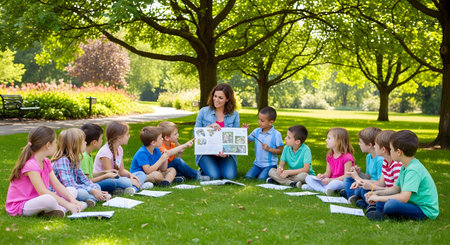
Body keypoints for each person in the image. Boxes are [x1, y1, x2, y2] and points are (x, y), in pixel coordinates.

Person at [6, 126, 84, 218]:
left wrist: (72, 200)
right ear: (48, 145)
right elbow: (42, 191)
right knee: (48, 199)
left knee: (71, 190)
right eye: (55, 142)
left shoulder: (46, 162)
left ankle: (57, 210)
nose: (56, 145)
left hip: (37, 199)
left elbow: (57, 185)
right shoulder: (31, 165)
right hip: (22, 205)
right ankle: (63, 209)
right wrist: (68, 204)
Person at [365, 130, 439, 221]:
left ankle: (384, 216)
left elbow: (404, 198)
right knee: (383, 201)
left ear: (399, 152)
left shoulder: (413, 170)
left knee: (391, 204)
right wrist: (377, 194)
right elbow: (396, 188)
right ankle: (380, 212)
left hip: (424, 210)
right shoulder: (405, 166)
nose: (390, 152)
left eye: (391, 149)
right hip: (412, 204)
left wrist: (379, 198)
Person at [51, 128, 110, 207]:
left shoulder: (76, 159)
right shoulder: (62, 161)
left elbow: (84, 179)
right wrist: (91, 190)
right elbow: (69, 185)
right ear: (76, 145)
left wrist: (95, 189)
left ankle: (91, 199)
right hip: (63, 191)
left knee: (97, 186)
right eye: (83, 141)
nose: (86, 143)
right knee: (83, 193)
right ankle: (91, 199)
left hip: (74, 188)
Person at [194, 83, 240, 179]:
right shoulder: (203, 112)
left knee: (230, 176)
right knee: (214, 176)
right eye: (215, 96)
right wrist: (208, 127)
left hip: (225, 154)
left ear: (227, 99)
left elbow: (235, 137)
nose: (216, 100)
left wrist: (228, 151)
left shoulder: (234, 115)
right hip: (206, 153)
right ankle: (204, 169)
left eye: (220, 98)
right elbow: (195, 134)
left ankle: (217, 166)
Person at [351, 130, 402, 209]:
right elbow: (381, 183)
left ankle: (371, 205)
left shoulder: (396, 165)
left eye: (376, 145)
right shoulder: (385, 162)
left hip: (391, 194)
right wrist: (362, 182)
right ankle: (369, 204)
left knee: (383, 203)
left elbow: (396, 190)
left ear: (383, 149)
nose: (374, 147)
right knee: (363, 190)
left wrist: (372, 187)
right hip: (385, 190)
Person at [94, 121, 146, 195]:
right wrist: (129, 181)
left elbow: (121, 171)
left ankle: (132, 189)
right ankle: (133, 186)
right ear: (119, 138)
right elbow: (110, 175)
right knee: (121, 182)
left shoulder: (119, 149)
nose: (129, 136)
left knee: (141, 174)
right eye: (127, 134)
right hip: (105, 180)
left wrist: (131, 175)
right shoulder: (105, 152)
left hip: (117, 178)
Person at [303, 127, 355, 195]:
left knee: (335, 183)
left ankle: (319, 188)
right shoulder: (330, 155)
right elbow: (328, 173)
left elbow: (347, 176)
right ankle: (324, 189)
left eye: (329, 138)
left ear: (339, 141)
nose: (326, 140)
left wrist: (330, 180)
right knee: (308, 178)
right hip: (329, 181)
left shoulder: (347, 157)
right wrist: (322, 176)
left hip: (340, 182)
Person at [80, 123, 129, 193]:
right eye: (101, 139)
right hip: (89, 185)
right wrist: (105, 175)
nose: (102, 141)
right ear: (94, 142)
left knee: (128, 180)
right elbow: (88, 181)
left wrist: (104, 172)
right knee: (114, 182)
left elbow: (90, 174)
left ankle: (120, 188)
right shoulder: (84, 157)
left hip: (93, 183)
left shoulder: (88, 155)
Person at [342, 127, 383, 201]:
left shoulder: (380, 160)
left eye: (360, 142)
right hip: (367, 183)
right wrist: (359, 173)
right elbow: (369, 176)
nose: (359, 144)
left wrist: (358, 178)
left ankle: (353, 194)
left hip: (375, 188)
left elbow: (381, 183)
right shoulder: (369, 157)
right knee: (348, 179)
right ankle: (353, 196)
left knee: (361, 190)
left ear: (369, 145)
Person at [244, 107, 283, 180]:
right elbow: (245, 142)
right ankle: (263, 174)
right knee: (248, 177)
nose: (259, 122)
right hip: (257, 164)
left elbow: (281, 151)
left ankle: (272, 175)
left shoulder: (276, 134)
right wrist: (243, 132)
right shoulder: (256, 131)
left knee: (261, 179)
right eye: (258, 119)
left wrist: (269, 149)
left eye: (262, 121)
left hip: (270, 165)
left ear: (270, 122)